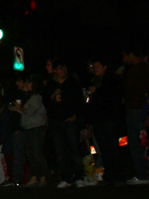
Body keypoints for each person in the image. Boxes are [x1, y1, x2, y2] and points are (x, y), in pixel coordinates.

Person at [43, 59, 90, 188]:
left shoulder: (72, 83)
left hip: (70, 120)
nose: (63, 71)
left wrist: (76, 115)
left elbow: (79, 101)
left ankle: (79, 176)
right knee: (60, 150)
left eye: (64, 69)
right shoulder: (50, 85)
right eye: (60, 69)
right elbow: (46, 102)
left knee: (74, 148)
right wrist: (53, 96)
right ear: (55, 70)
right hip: (56, 121)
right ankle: (66, 177)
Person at [87, 56, 125, 186]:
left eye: (97, 66)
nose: (95, 69)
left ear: (105, 67)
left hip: (110, 117)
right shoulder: (94, 79)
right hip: (98, 118)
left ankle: (119, 174)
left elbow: (114, 96)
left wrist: (98, 91)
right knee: (103, 147)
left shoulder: (112, 79)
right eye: (94, 67)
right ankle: (109, 174)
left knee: (113, 146)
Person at [122, 47, 149, 185]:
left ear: (131, 54)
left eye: (125, 55)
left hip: (136, 110)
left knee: (138, 142)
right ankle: (142, 172)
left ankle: (142, 174)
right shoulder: (143, 68)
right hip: (140, 109)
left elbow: (129, 90)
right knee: (142, 141)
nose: (123, 59)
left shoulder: (137, 69)